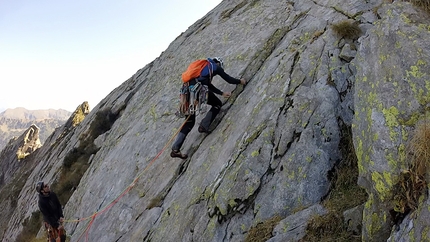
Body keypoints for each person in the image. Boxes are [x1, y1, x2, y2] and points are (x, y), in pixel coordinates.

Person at [171, 57, 247, 159]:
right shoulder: (215, 67)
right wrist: (240, 81)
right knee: (217, 104)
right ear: (218, 63)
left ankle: (175, 149)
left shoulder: (203, 68)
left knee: (189, 121)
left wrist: (221, 93)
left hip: (187, 92)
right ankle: (204, 125)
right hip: (198, 90)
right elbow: (229, 79)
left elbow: (207, 84)